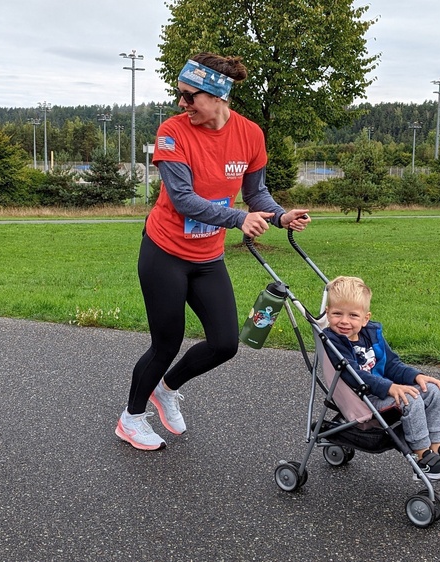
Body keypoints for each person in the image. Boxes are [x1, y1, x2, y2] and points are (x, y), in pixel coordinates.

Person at [116, 52, 311, 451]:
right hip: (165, 252)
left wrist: (279, 216)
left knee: (226, 343)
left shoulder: (250, 134)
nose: (181, 104)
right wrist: (239, 220)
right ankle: (131, 418)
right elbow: (184, 199)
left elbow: (256, 193)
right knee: (166, 343)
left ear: (219, 95)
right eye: (179, 95)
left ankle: (167, 389)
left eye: (190, 97)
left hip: (207, 258)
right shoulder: (172, 132)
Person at [322, 276, 440, 480]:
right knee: (409, 399)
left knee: (432, 390)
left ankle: (438, 447)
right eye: (336, 314)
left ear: (365, 318)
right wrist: (390, 388)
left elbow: (391, 364)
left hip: (383, 390)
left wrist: (416, 376)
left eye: (353, 315)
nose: (344, 321)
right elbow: (354, 375)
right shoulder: (334, 342)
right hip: (364, 399)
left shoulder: (371, 334)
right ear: (327, 313)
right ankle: (423, 458)